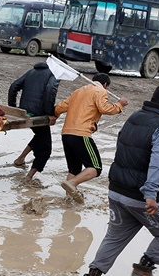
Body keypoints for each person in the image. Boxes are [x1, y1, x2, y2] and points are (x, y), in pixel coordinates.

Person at [80, 82, 159, 276]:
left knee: (114, 237)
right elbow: (158, 162)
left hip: (117, 191)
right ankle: (144, 270)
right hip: (140, 196)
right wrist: (151, 194)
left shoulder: (134, 117)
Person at [54, 73, 129, 203]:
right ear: (106, 84)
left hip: (66, 133)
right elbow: (104, 108)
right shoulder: (100, 91)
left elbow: (61, 107)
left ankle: (68, 198)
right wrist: (119, 104)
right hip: (81, 134)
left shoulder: (78, 91)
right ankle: (72, 184)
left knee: (74, 168)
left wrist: (54, 114)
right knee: (96, 168)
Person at [8, 61, 59, 182]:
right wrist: (50, 113)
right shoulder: (54, 74)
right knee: (46, 149)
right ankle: (29, 178)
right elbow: (50, 91)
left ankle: (20, 159)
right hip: (39, 113)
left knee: (40, 136)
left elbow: (13, 86)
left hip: (26, 112)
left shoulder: (31, 72)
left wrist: (14, 108)